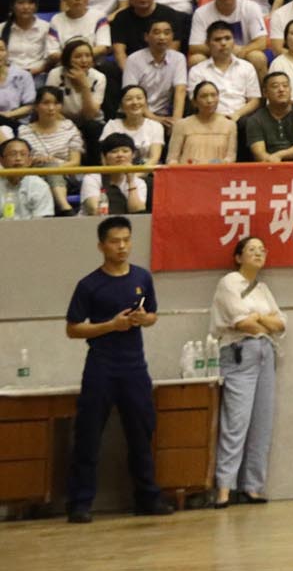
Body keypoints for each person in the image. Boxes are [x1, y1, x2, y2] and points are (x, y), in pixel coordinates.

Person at [63, 216, 172, 523]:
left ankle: (147, 498)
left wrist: (143, 320)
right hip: (101, 367)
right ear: (102, 246)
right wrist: (111, 325)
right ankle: (80, 503)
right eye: (114, 241)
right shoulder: (89, 285)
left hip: (135, 367)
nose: (122, 246)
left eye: (126, 240)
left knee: (141, 433)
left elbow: (153, 315)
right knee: (88, 436)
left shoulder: (142, 277)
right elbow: (73, 329)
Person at [209, 235, 286, 507]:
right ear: (238, 257)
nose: (258, 253)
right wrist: (262, 323)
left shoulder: (262, 288)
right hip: (240, 353)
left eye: (262, 249)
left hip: (266, 352)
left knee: (262, 422)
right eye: (252, 249)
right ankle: (224, 488)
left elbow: (281, 324)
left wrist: (259, 318)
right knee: (236, 422)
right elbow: (242, 324)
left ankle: (252, 486)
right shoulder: (229, 282)